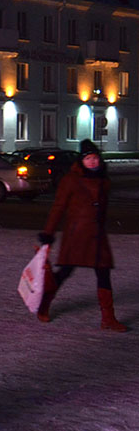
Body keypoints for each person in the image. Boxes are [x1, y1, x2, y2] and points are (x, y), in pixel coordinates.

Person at [36, 140, 127, 331]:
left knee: (104, 273)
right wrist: (48, 234)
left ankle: (108, 318)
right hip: (77, 235)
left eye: (95, 158)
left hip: (97, 236)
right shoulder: (71, 180)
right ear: (82, 160)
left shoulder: (104, 180)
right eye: (88, 158)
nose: (93, 162)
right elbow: (58, 208)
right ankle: (44, 304)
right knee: (65, 272)